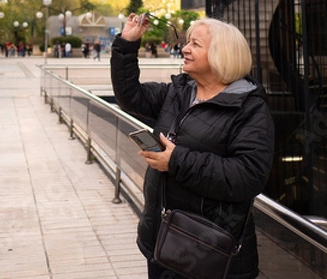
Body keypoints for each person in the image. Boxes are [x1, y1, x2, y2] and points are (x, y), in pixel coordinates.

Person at [110, 14, 274, 279]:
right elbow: (130, 96)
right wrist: (127, 44)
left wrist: (175, 161)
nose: (184, 49)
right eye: (187, 42)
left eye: (195, 44)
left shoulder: (249, 108)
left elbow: (248, 176)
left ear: (222, 55)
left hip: (211, 251)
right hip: (162, 241)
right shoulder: (179, 91)